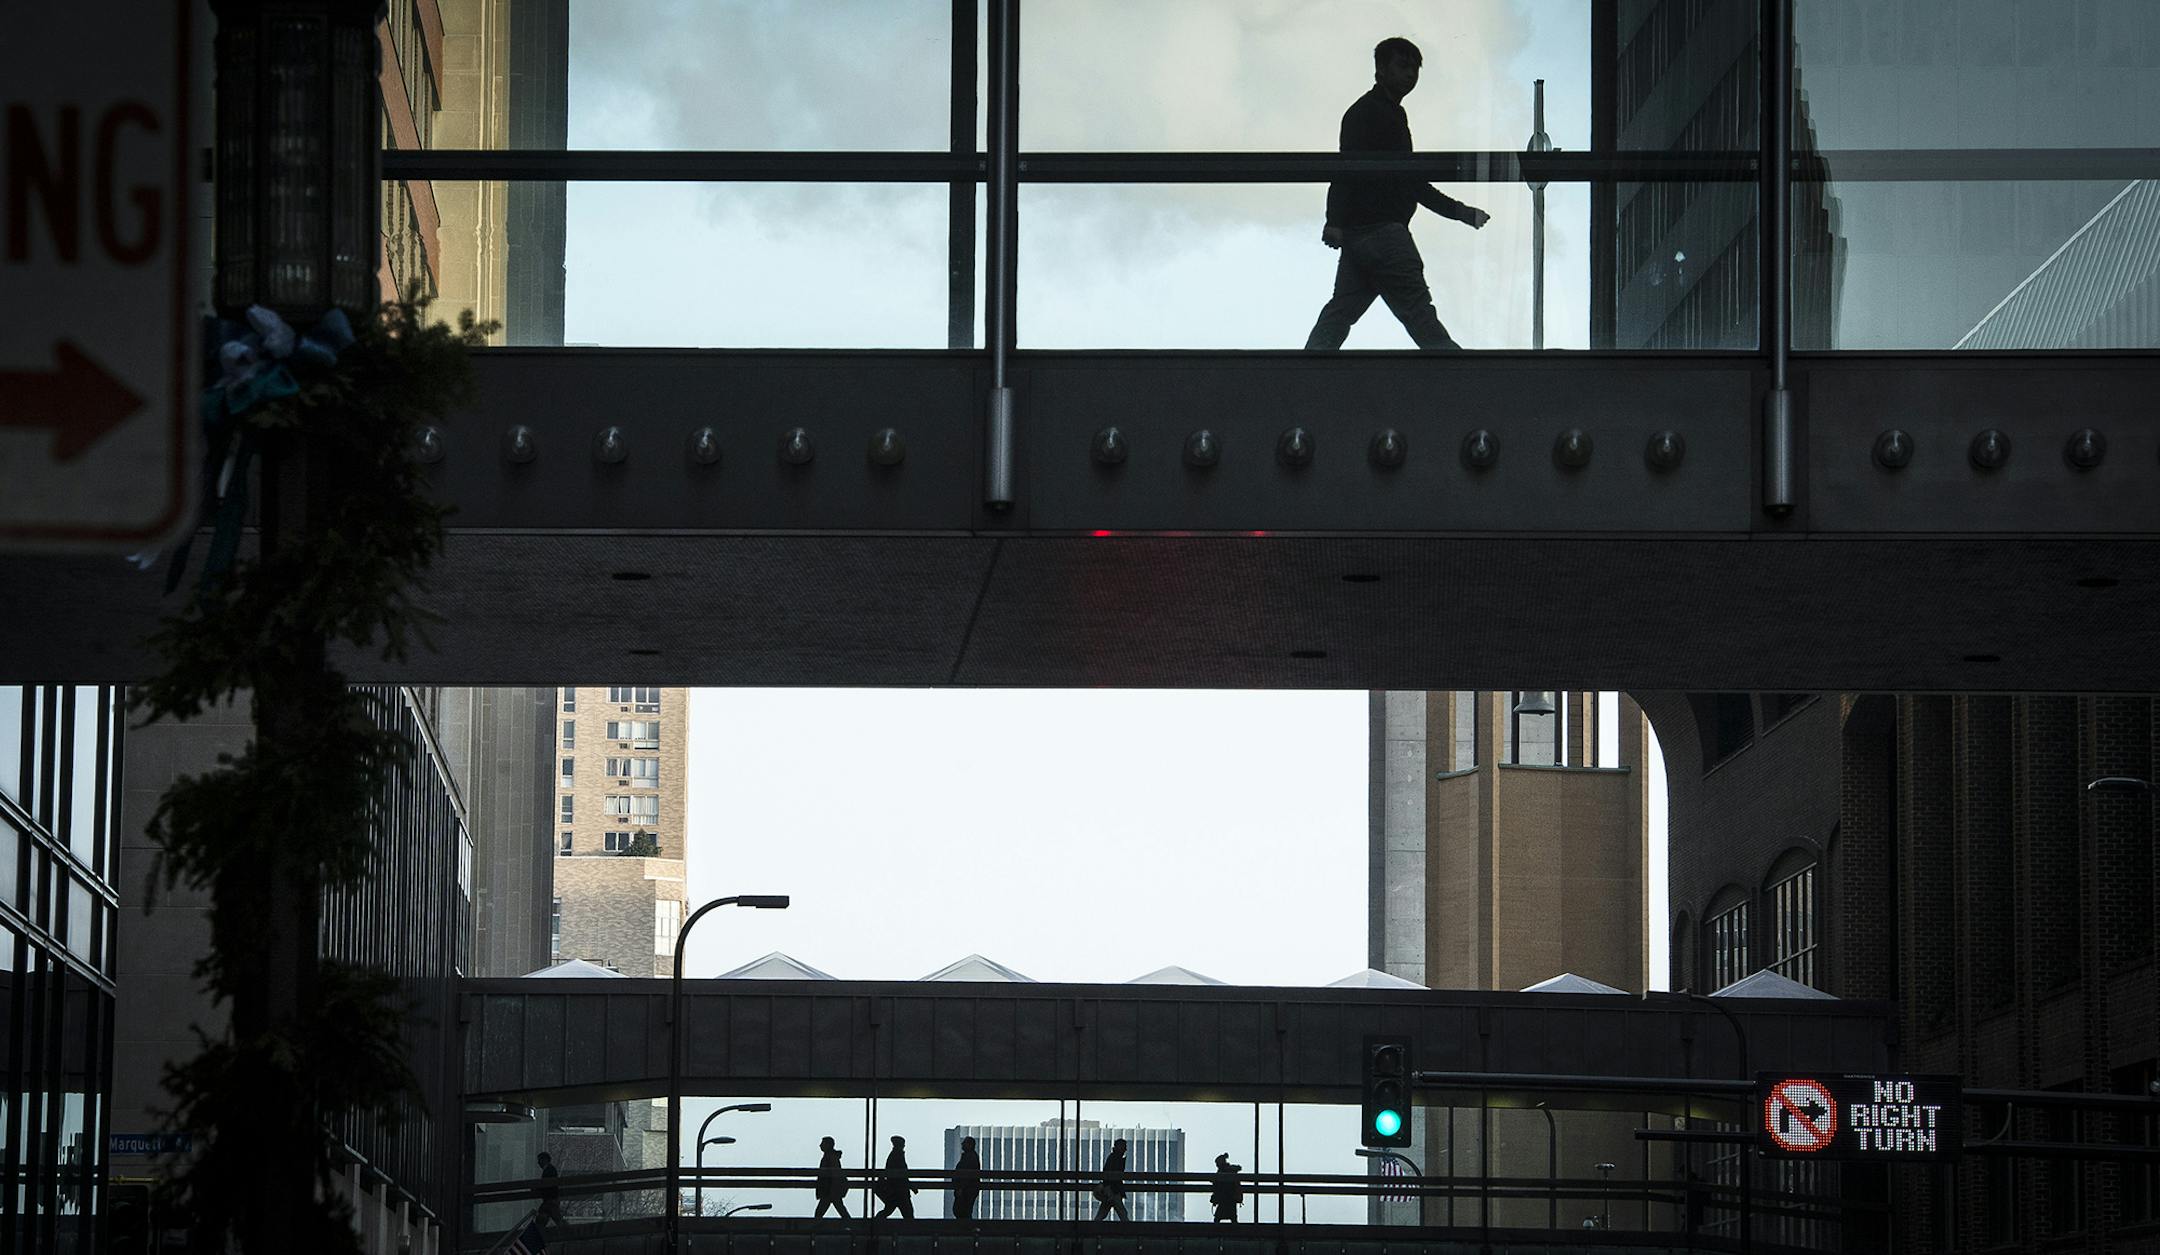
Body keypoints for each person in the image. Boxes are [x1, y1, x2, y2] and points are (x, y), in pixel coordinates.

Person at [1304, 36, 1491, 352]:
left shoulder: (1370, 111)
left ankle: (1305, 372)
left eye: (1414, 68)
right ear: (1381, 69)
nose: (1411, 75)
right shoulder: (1379, 114)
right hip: (1384, 233)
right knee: (1418, 311)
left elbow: (1357, 171)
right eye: (1403, 66)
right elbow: (1391, 177)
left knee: (1341, 312)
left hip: (1360, 234)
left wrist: (1336, 221)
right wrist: (1460, 212)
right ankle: (1461, 374)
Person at [873, 1135, 918, 1219]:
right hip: (900, 1192)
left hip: (894, 1191)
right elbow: (902, 1176)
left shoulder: (894, 1156)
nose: (904, 1146)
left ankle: (876, 1223)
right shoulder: (897, 1156)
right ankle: (876, 1223)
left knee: (888, 1210)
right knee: (908, 1215)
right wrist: (911, 1186)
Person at [1091, 1138, 1130, 1222]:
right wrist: (1111, 1189)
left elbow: (1107, 1174)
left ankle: (1093, 1228)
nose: (1125, 1149)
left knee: (1103, 1212)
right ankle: (1129, 1230)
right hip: (1113, 1190)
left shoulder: (1113, 1157)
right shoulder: (1116, 1158)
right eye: (1124, 1147)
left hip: (1110, 1190)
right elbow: (1111, 1175)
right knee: (1122, 1212)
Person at [814, 1136, 852, 1219]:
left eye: (822, 1143)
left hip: (829, 1190)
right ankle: (852, 1227)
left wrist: (831, 1189)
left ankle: (814, 1230)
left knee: (819, 1213)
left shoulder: (830, 1157)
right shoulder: (831, 1156)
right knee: (841, 1210)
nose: (820, 1145)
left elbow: (833, 1174)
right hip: (831, 1189)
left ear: (828, 1145)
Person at [952, 1135, 982, 1221]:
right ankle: (966, 1229)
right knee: (963, 1211)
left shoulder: (970, 1157)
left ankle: (965, 1229)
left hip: (967, 1189)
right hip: (968, 1189)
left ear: (969, 1145)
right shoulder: (971, 1156)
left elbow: (967, 1175)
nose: (962, 1144)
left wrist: (961, 1188)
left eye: (964, 1143)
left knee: (962, 1210)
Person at [1208, 1153, 1243, 1223]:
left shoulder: (1221, 1172)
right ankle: (1237, 1232)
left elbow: (1216, 1183)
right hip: (1232, 1199)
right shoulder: (1232, 1170)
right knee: (1233, 1217)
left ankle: (1214, 1232)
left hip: (1223, 1199)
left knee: (1218, 1217)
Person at [535, 1151, 563, 1226]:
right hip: (551, 1200)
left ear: (545, 1160)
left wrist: (537, 1189)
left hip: (550, 1200)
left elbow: (546, 1184)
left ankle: (536, 1234)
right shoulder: (551, 1169)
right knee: (557, 1219)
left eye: (540, 1160)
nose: (538, 1162)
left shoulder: (549, 1170)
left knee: (542, 1219)